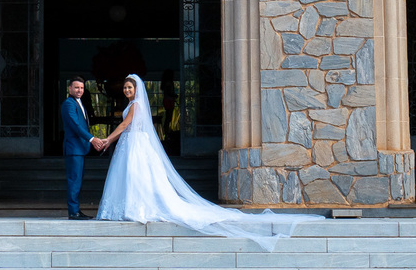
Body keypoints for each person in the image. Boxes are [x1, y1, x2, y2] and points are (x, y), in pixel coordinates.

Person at [96, 73, 319, 250]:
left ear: (137, 89)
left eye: (130, 87)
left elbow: (125, 125)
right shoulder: (135, 104)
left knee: (138, 175)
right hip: (133, 143)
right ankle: (133, 206)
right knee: (135, 176)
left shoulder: (136, 106)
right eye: (125, 87)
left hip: (135, 144)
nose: (127, 90)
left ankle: (139, 208)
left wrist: (107, 139)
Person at [60, 75, 105, 220]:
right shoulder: (69, 104)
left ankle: (76, 210)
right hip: (74, 149)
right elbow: (75, 125)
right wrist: (92, 139)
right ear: (70, 88)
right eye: (76, 87)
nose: (79, 90)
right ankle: (73, 212)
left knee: (77, 180)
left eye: (81, 88)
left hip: (79, 148)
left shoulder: (79, 102)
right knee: (74, 180)